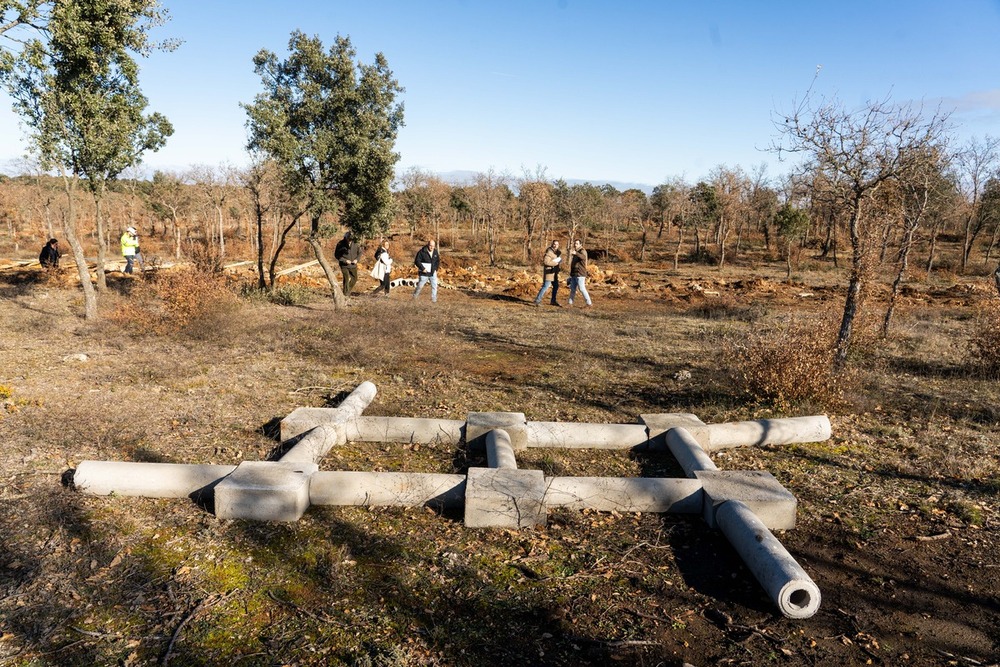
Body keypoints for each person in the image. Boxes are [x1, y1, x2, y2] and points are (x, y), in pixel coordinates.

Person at [533, 239, 562, 306]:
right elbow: (546, 262)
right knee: (546, 286)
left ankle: (553, 301)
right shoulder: (549, 252)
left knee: (556, 286)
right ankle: (537, 300)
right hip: (549, 273)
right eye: (554, 244)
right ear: (552, 244)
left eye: (557, 244)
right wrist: (556, 263)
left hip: (554, 273)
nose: (555, 245)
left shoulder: (557, 252)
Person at [334, 230, 361, 296]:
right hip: (344, 265)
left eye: (351, 239)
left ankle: (347, 290)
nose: (349, 241)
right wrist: (344, 260)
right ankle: (345, 294)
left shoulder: (356, 243)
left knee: (354, 279)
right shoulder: (340, 244)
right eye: (348, 239)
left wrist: (356, 260)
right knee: (346, 278)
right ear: (345, 238)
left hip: (353, 265)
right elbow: (337, 255)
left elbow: (360, 253)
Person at [413, 238, 440, 303]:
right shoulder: (422, 252)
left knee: (434, 286)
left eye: (433, 246)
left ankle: (434, 301)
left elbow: (437, 261)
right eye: (430, 245)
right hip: (424, 273)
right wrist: (423, 268)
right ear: (428, 245)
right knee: (420, 286)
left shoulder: (435, 252)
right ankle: (414, 297)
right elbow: (417, 261)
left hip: (432, 273)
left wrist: (435, 269)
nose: (432, 247)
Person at [567, 238, 593, 307]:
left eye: (577, 244)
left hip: (580, 273)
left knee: (582, 288)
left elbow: (583, 257)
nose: (575, 245)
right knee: (572, 289)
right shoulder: (576, 251)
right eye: (575, 243)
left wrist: (576, 253)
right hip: (574, 274)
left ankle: (589, 303)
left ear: (580, 244)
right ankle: (570, 303)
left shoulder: (582, 251)